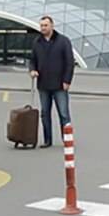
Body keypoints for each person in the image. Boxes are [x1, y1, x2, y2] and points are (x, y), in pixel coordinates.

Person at [29, 16, 75, 148]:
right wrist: (32, 70)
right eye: (41, 25)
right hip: (43, 84)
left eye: (45, 25)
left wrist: (67, 80)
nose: (43, 28)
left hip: (60, 84)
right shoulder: (37, 42)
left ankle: (67, 139)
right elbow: (33, 60)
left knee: (63, 113)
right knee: (45, 113)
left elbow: (69, 63)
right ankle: (47, 140)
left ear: (52, 26)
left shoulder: (63, 41)